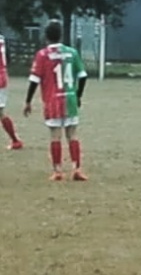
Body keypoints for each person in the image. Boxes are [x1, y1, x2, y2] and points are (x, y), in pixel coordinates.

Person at [23, 20, 89, 181]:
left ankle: (58, 171)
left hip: (53, 101)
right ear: (61, 35)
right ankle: (76, 169)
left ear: (46, 36)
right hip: (70, 98)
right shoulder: (72, 53)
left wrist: (28, 101)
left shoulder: (42, 55)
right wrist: (78, 95)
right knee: (72, 134)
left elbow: (34, 80)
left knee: (55, 136)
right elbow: (83, 76)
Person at [0, 33, 24, 150]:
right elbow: (8, 58)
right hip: (3, 76)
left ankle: (16, 141)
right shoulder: (2, 39)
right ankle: (15, 140)